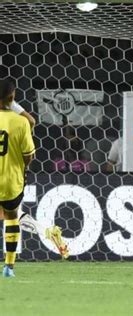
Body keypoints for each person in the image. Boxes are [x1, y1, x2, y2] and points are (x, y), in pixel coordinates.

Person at [0, 83, 68, 278]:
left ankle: (45, 230)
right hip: (12, 175)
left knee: (8, 215)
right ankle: (45, 231)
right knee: (10, 214)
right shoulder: (16, 117)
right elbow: (30, 121)